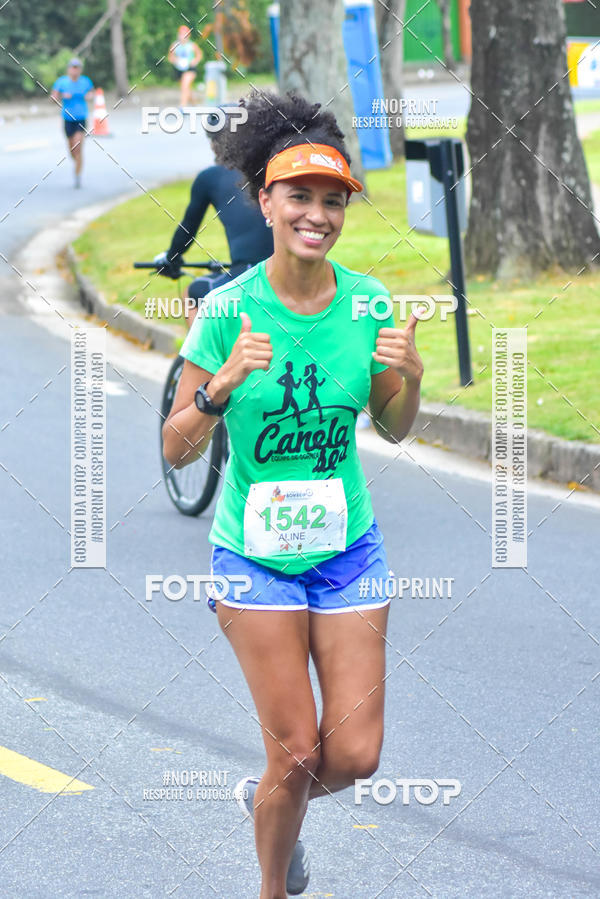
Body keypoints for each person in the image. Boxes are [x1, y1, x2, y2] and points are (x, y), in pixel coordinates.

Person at [162, 90, 424, 899]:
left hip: (348, 551)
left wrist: (408, 382)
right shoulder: (227, 312)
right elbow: (176, 447)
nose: (317, 214)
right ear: (266, 200)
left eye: (332, 200)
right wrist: (220, 388)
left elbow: (394, 426)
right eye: (300, 196)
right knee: (299, 751)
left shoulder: (368, 302)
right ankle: (273, 887)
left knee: (352, 756)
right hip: (254, 557)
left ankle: (268, 797)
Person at [154, 123, 274, 328]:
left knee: (192, 295)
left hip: (247, 275)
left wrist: (170, 258)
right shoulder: (270, 170)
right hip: (283, 276)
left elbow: (188, 229)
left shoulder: (211, 177)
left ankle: (203, 359)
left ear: (213, 144)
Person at [51, 58, 95, 188]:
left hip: (81, 118)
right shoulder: (62, 82)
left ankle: (77, 175)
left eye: (77, 67)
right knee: (72, 150)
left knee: (78, 146)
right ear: (69, 69)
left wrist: (89, 96)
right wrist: (62, 96)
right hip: (67, 119)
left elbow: (92, 93)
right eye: (73, 67)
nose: (75, 70)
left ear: (80, 69)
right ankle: (76, 163)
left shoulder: (85, 81)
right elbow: (53, 97)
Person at [168, 25, 203, 107]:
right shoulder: (174, 45)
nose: (183, 36)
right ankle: (195, 104)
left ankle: (182, 107)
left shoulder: (192, 45)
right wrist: (175, 61)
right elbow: (170, 57)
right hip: (179, 69)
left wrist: (195, 61)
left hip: (190, 68)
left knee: (184, 86)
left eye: (185, 34)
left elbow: (199, 54)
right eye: (181, 34)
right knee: (186, 88)